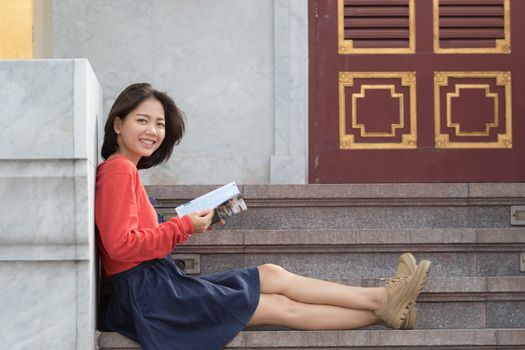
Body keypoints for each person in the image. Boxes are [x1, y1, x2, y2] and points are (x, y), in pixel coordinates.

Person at [95, 83, 431, 350]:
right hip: (149, 296)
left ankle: (386, 309)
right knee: (276, 307)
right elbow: (121, 247)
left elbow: (135, 242)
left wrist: (186, 225)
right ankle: (383, 303)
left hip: (155, 284)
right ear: (118, 123)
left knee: (271, 275)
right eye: (142, 120)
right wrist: (182, 226)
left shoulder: (126, 171)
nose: (152, 130)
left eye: (159, 123)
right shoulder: (119, 171)